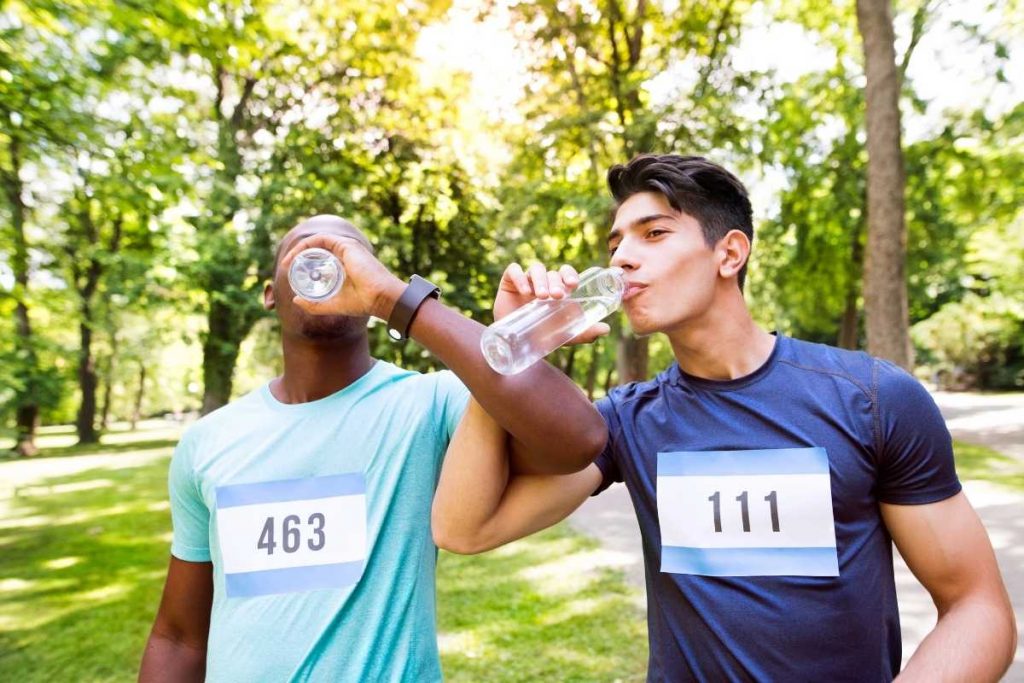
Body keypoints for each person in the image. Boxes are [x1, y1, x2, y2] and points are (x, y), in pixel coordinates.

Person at [432, 154, 1017, 681]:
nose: (622, 258)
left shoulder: (873, 398)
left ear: (729, 253)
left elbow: (976, 606)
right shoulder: (628, 422)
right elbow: (465, 528)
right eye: (615, 245)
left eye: (655, 233)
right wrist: (506, 347)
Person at [138, 215, 607, 681]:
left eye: (350, 253)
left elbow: (576, 441)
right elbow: (178, 636)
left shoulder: (434, 402)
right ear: (270, 293)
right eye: (303, 249)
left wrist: (505, 332)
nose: (326, 261)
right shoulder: (208, 442)